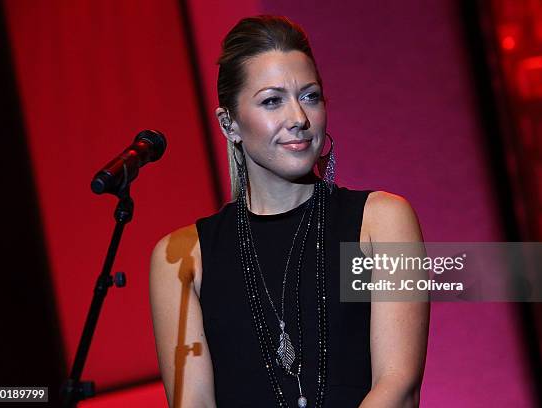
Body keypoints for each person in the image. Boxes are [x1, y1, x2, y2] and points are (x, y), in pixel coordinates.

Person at [149, 15, 429, 408]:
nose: (298, 118)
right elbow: (192, 402)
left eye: (310, 96)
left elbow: (398, 386)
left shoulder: (381, 221)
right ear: (229, 124)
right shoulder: (182, 258)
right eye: (272, 101)